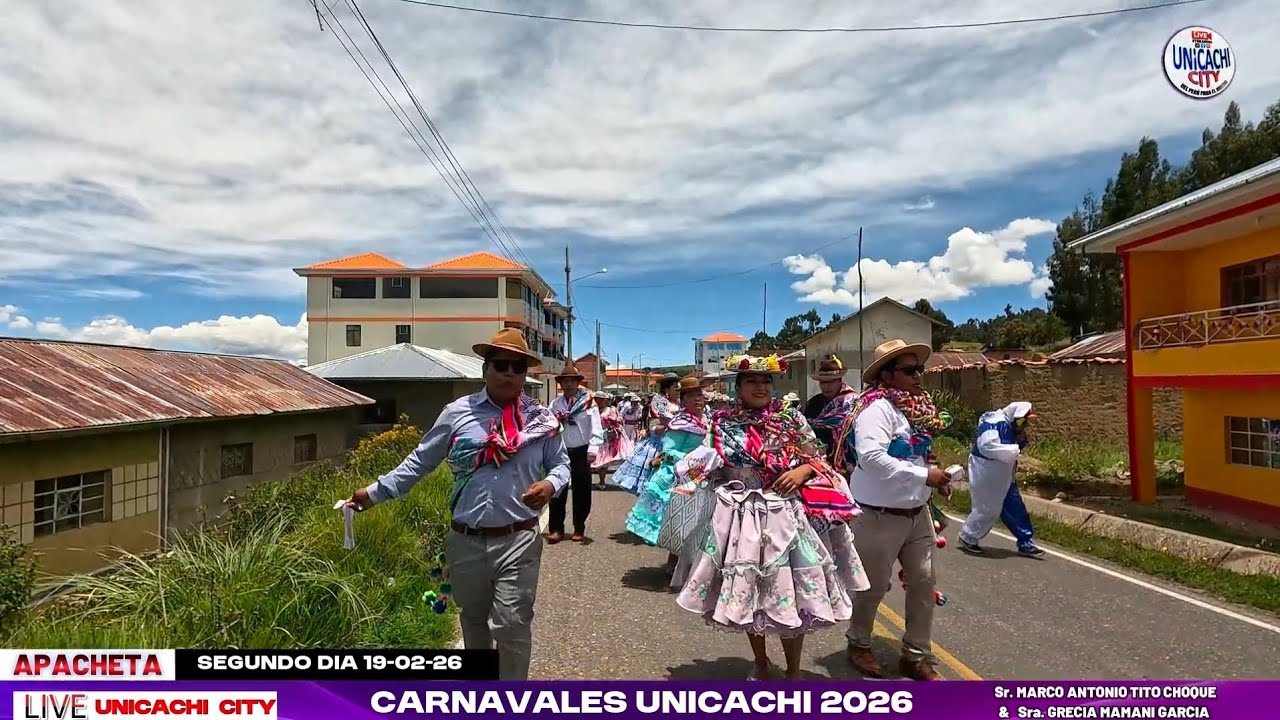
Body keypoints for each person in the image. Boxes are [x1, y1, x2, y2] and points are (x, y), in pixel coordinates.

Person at [343, 328, 567, 681]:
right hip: (466, 541)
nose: (509, 373)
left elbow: (561, 465)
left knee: (512, 624)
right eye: (501, 364)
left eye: (518, 367)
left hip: (519, 538)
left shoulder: (542, 420)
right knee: (474, 623)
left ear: (526, 375)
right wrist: (373, 493)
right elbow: (420, 461)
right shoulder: (457, 413)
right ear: (485, 369)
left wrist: (551, 484)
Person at [674, 353, 867, 680]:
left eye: (766, 381)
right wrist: (692, 476)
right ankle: (761, 662)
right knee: (750, 593)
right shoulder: (721, 423)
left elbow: (817, 458)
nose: (760, 387)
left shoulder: (790, 419)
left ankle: (793, 672)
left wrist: (802, 471)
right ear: (738, 386)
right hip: (739, 517)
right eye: (752, 381)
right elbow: (709, 463)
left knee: (791, 593)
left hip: (785, 515)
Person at [833, 339, 953, 681]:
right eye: (909, 370)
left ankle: (915, 655)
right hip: (878, 515)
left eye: (920, 369)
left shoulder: (916, 409)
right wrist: (924, 475)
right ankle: (859, 643)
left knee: (923, 583)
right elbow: (872, 458)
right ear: (886, 375)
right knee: (872, 587)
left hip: (916, 513)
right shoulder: (875, 411)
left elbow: (918, 454)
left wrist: (935, 478)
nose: (918, 376)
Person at [625, 376, 709, 574]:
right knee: (679, 519)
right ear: (683, 400)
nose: (697, 399)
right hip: (680, 474)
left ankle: (692, 566)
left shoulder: (707, 420)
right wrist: (694, 459)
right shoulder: (681, 423)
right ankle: (675, 565)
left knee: (698, 520)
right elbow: (669, 450)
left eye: (699, 394)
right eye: (691, 396)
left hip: (703, 474)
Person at [959, 402, 1045, 557]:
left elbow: (1013, 446)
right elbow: (986, 446)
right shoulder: (995, 423)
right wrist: (1013, 450)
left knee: (1015, 506)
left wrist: (1019, 441)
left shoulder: (1012, 427)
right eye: (1022, 421)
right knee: (987, 508)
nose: (1024, 425)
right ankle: (968, 536)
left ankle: (1025, 542)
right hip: (987, 472)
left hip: (1004, 475)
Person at [549, 362, 602, 543]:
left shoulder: (588, 403)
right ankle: (556, 528)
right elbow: (549, 427)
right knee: (558, 489)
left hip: (582, 451)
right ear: (561, 384)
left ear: (578, 383)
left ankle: (579, 527)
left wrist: (593, 449)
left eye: (573, 381)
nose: (569, 384)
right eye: (565, 381)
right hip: (560, 452)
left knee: (582, 491)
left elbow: (596, 427)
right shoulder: (555, 404)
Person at [611, 374, 681, 494]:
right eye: (675, 388)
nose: (678, 391)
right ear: (667, 389)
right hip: (660, 446)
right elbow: (653, 427)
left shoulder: (680, 402)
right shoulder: (659, 402)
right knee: (654, 487)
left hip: (678, 444)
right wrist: (670, 426)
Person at [804, 354, 858, 462]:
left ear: (840, 381)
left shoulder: (853, 402)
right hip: (818, 457)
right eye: (823, 383)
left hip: (847, 457)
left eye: (831, 382)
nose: (826, 387)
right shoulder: (814, 403)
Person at [592, 392, 635, 488]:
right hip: (596, 437)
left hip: (608, 438)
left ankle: (602, 482)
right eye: (596, 399)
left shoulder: (611, 409)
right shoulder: (592, 410)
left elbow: (620, 420)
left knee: (604, 461)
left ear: (605, 400)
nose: (598, 401)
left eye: (600, 399)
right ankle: (601, 481)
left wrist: (613, 421)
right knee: (598, 460)